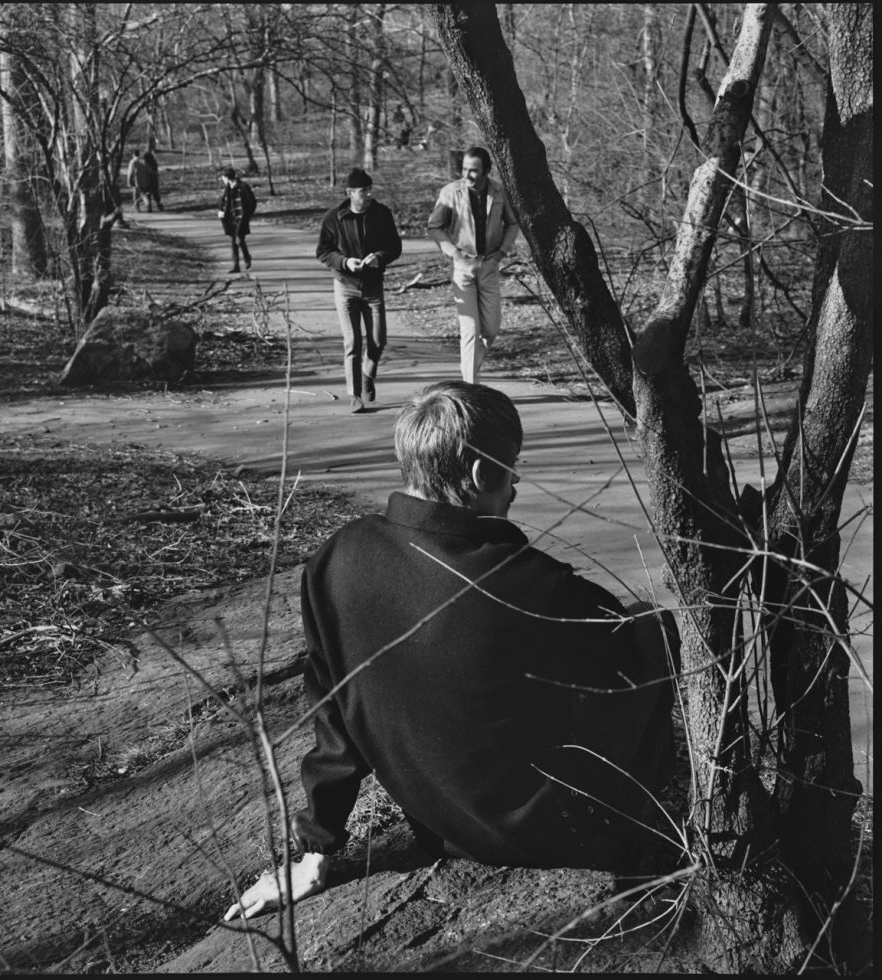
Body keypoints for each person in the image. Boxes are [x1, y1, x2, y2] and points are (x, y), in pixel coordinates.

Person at [224, 381, 680, 922]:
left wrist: (317, 844)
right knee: (653, 640)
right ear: (484, 475)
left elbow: (334, 713)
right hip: (547, 832)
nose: (515, 482)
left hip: (438, 821)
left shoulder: (337, 557)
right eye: (513, 466)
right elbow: (639, 659)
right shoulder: (532, 584)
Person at [427, 146, 520, 384]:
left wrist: (501, 253)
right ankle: (471, 388)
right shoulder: (450, 193)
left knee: (491, 329)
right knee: (470, 331)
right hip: (462, 269)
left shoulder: (499, 191)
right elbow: (434, 226)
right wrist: (453, 252)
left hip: (489, 266)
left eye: (474, 170)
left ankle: (468, 368)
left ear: (486, 171)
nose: (468, 175)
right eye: (465, 169)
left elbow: (512, 223)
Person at [316, 167, 402, 414]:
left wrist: (380, 257)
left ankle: (368, 373)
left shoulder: (382, 213)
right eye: (363, 191)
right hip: (345, 287)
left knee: (378, 340)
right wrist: (345, 262)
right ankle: (354, 396)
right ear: (350, 193)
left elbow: (394, 247)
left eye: (369, 190)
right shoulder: (335, 217)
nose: (368, 195)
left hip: (373, 286)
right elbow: (322, 252)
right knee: (352, 341)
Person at [217, 168, 257, 273]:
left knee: (239, 239)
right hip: (231, 219)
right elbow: (224, 202)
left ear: (227, 178)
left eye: (223, 178)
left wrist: (247, 215)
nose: (222, 180)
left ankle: (246, 258)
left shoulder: (243, 187)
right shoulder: (228, 188)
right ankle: (237, 265)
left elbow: (252, 202)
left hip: (241, 218)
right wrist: (221, 211)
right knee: (235, 241)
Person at [142, 147, 163, 211]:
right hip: (154, 180)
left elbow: (147, 171)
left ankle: (149, 206)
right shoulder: (154, 162)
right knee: (156, 193)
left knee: (147, 193)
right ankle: (159, 205)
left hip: (148, 180)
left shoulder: (145, 163)